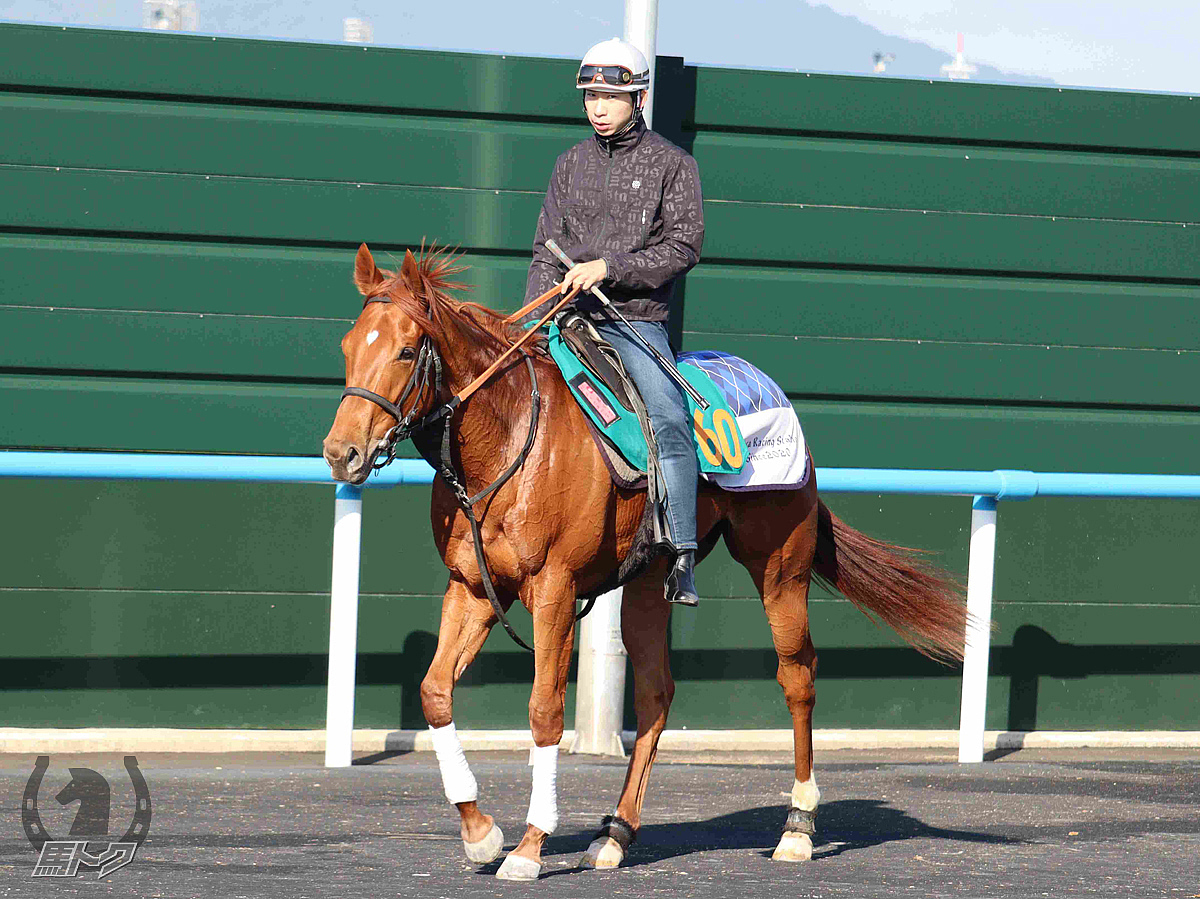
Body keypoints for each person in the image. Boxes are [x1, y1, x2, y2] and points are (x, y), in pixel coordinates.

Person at [522, 37, 706, 607]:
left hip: (634, 322)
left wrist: (610, 267)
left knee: (670, 417)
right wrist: (530, 318)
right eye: (591, 96)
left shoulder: (674, 166)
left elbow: (684, 247)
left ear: (640, 96)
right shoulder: (568, 163)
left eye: (610, 96)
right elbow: (543, 251)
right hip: (564, 316)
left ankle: (681, 550)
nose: (597, 107)